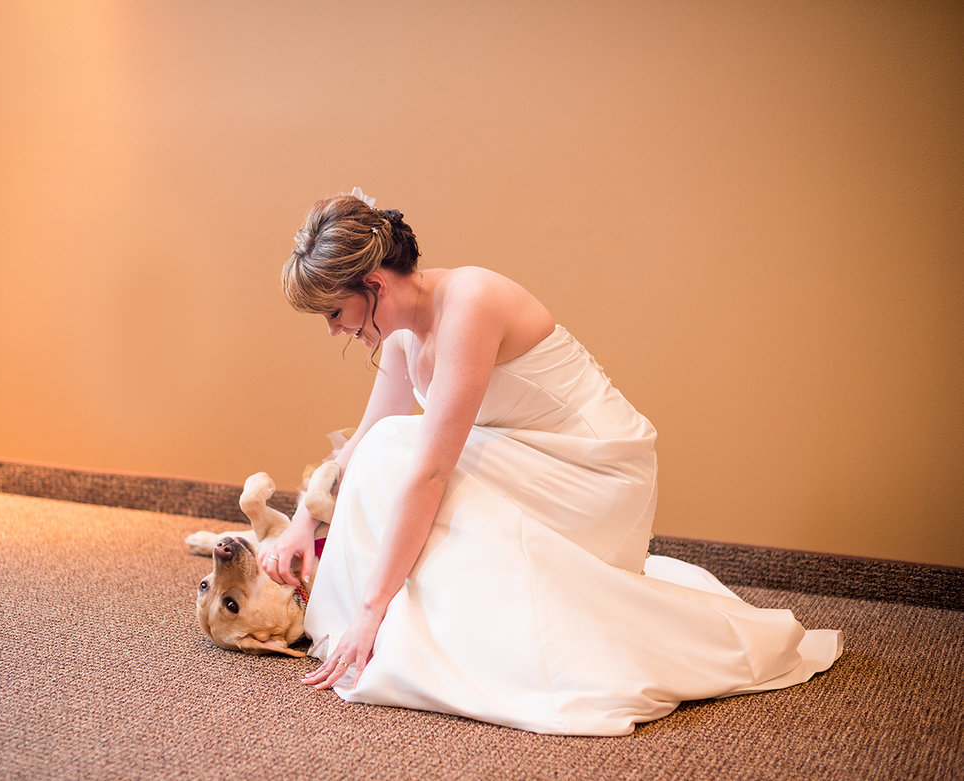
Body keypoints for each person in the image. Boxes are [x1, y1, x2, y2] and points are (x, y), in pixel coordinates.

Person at [259, 188, 842, 736]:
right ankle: (409, 626)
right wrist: (300, 525)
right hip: (527, 461)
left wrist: (371, 609)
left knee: (404, 458)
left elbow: (431, 472)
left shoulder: (471, 302)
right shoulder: (403, 333)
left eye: (336, 312)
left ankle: (378, 624)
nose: (336, 329)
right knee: (386, 445)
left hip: (597, 477)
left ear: (374, 285)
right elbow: (363, 440)